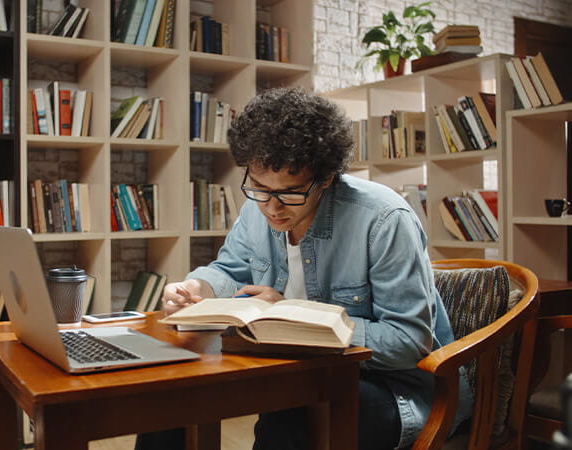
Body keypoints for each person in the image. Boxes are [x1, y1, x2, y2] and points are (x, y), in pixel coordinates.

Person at [135, 87, 472, 450]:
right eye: (260, 188)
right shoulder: (257, 209)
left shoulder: (384, 219)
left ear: (326, 178)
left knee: (291, 419)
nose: (272, 208)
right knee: (172, 398)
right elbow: (231, 269)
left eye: (291, 193)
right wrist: (197, 288)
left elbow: (407, 342)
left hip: (400, 391)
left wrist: (292, 317)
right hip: (299, 373)